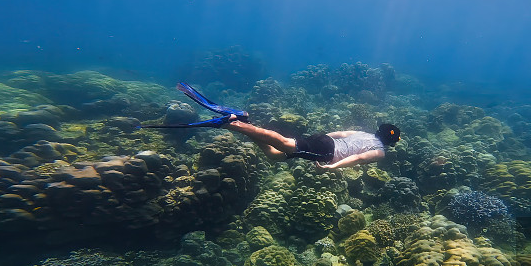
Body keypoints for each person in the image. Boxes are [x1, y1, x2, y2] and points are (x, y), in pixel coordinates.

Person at [141, 82, 400, 169]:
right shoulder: (380, 152)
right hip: (326, 153)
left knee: (276, 156)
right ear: (389, 141)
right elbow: (359, 158)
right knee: (284, 143)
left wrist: (320, 138)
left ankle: (239, 124)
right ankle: (234, 121)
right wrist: (333, 167)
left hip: (326, 141)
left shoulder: (364, 132)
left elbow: (341, 133)